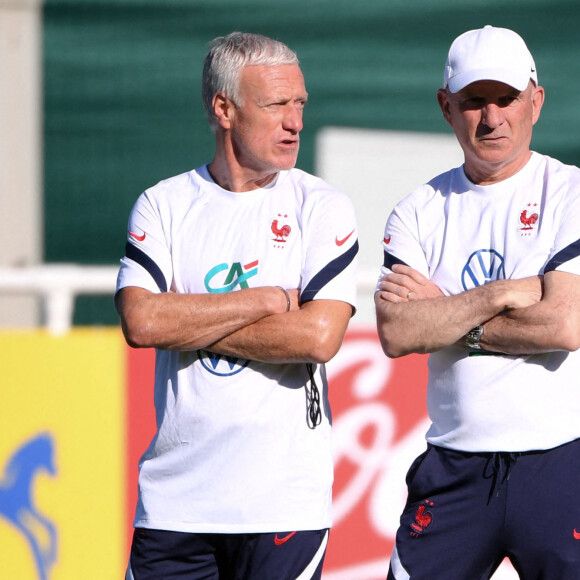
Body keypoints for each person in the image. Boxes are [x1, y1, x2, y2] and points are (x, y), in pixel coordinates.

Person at [115, 32, 358, 580]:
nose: (295, 121)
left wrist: (185, 319)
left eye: (300, 103)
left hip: (282, 504)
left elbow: (318, 339)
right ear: (224, 109)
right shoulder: (164, 204)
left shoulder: (320, 206)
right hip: (175, 502)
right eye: (276, 105)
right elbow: (141, 320)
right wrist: (264, 301)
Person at [375, 25, 580, 579]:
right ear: (446, 106)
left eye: (506, 99)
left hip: (562, 460)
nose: (491, 118)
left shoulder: (569, 191)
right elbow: (397, 331)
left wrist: (449, 316)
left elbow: (563, 324)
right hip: (454, 466)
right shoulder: (417, 210)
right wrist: (505, 293)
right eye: (473, 101)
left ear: (535, 100)